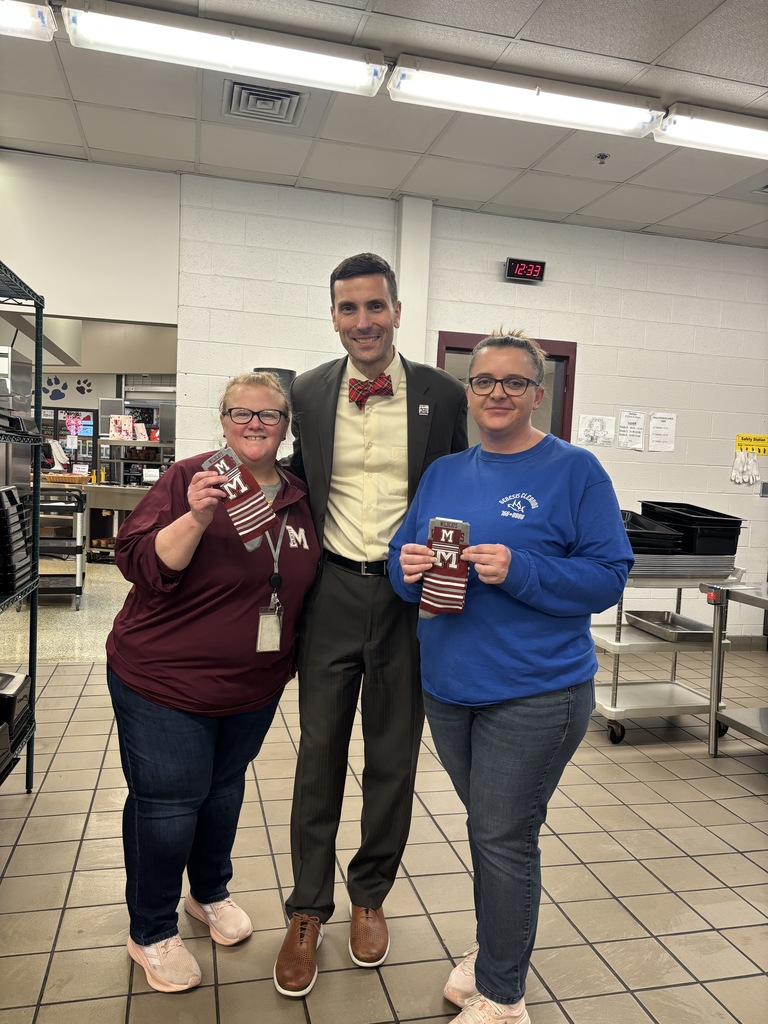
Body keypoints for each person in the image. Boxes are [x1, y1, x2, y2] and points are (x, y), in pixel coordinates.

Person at [389, 331, 633, 1024]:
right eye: (483, 382)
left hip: (535, 693)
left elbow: (609, 576)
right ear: (469, 391)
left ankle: (502, 995)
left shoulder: (575, 471)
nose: (496, 394)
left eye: (513, 383)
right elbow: (401, 557)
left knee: (501, 836)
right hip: (450, 688)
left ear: (538, 393)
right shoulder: (445, 472)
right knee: (494, 830)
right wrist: (402, 572)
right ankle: (497, 948)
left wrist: (519, 570)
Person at [273, 252, 468, 997]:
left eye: (375, 307)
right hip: (330, 593)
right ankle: (307, 909)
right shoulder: (310, 390)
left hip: (409, 601)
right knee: (318, 753)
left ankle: (369, 895)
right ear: (333, 316)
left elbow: (462, 485)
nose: (363, 322)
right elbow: (289, 470)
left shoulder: (445, 394)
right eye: (348, 309)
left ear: (396, 309)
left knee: (393, 757)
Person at [106, 371, 320, 993]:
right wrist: (197, 516)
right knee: (169, 804)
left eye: (269, 415)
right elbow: (140, 564)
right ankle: (149, 928)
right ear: (222, 419)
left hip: (252, 682)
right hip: (164, 679)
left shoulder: (299, 494)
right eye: (241, 413)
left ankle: (208, 893)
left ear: (286, 426)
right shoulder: (190, 478)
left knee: (223, 790)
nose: (255, 424)